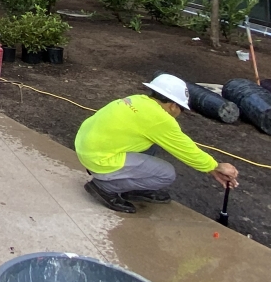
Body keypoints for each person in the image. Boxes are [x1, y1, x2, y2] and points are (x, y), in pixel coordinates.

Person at [75, 74, 240, 214]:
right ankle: (105, 188)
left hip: (86, 146)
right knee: (166, 174)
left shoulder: (138, 99)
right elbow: (186, 149)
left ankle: (129, 185)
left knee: (153, 143)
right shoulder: (160, 120)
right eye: (181, 109)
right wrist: (215, 166)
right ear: (173, 105)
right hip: (99, 158)